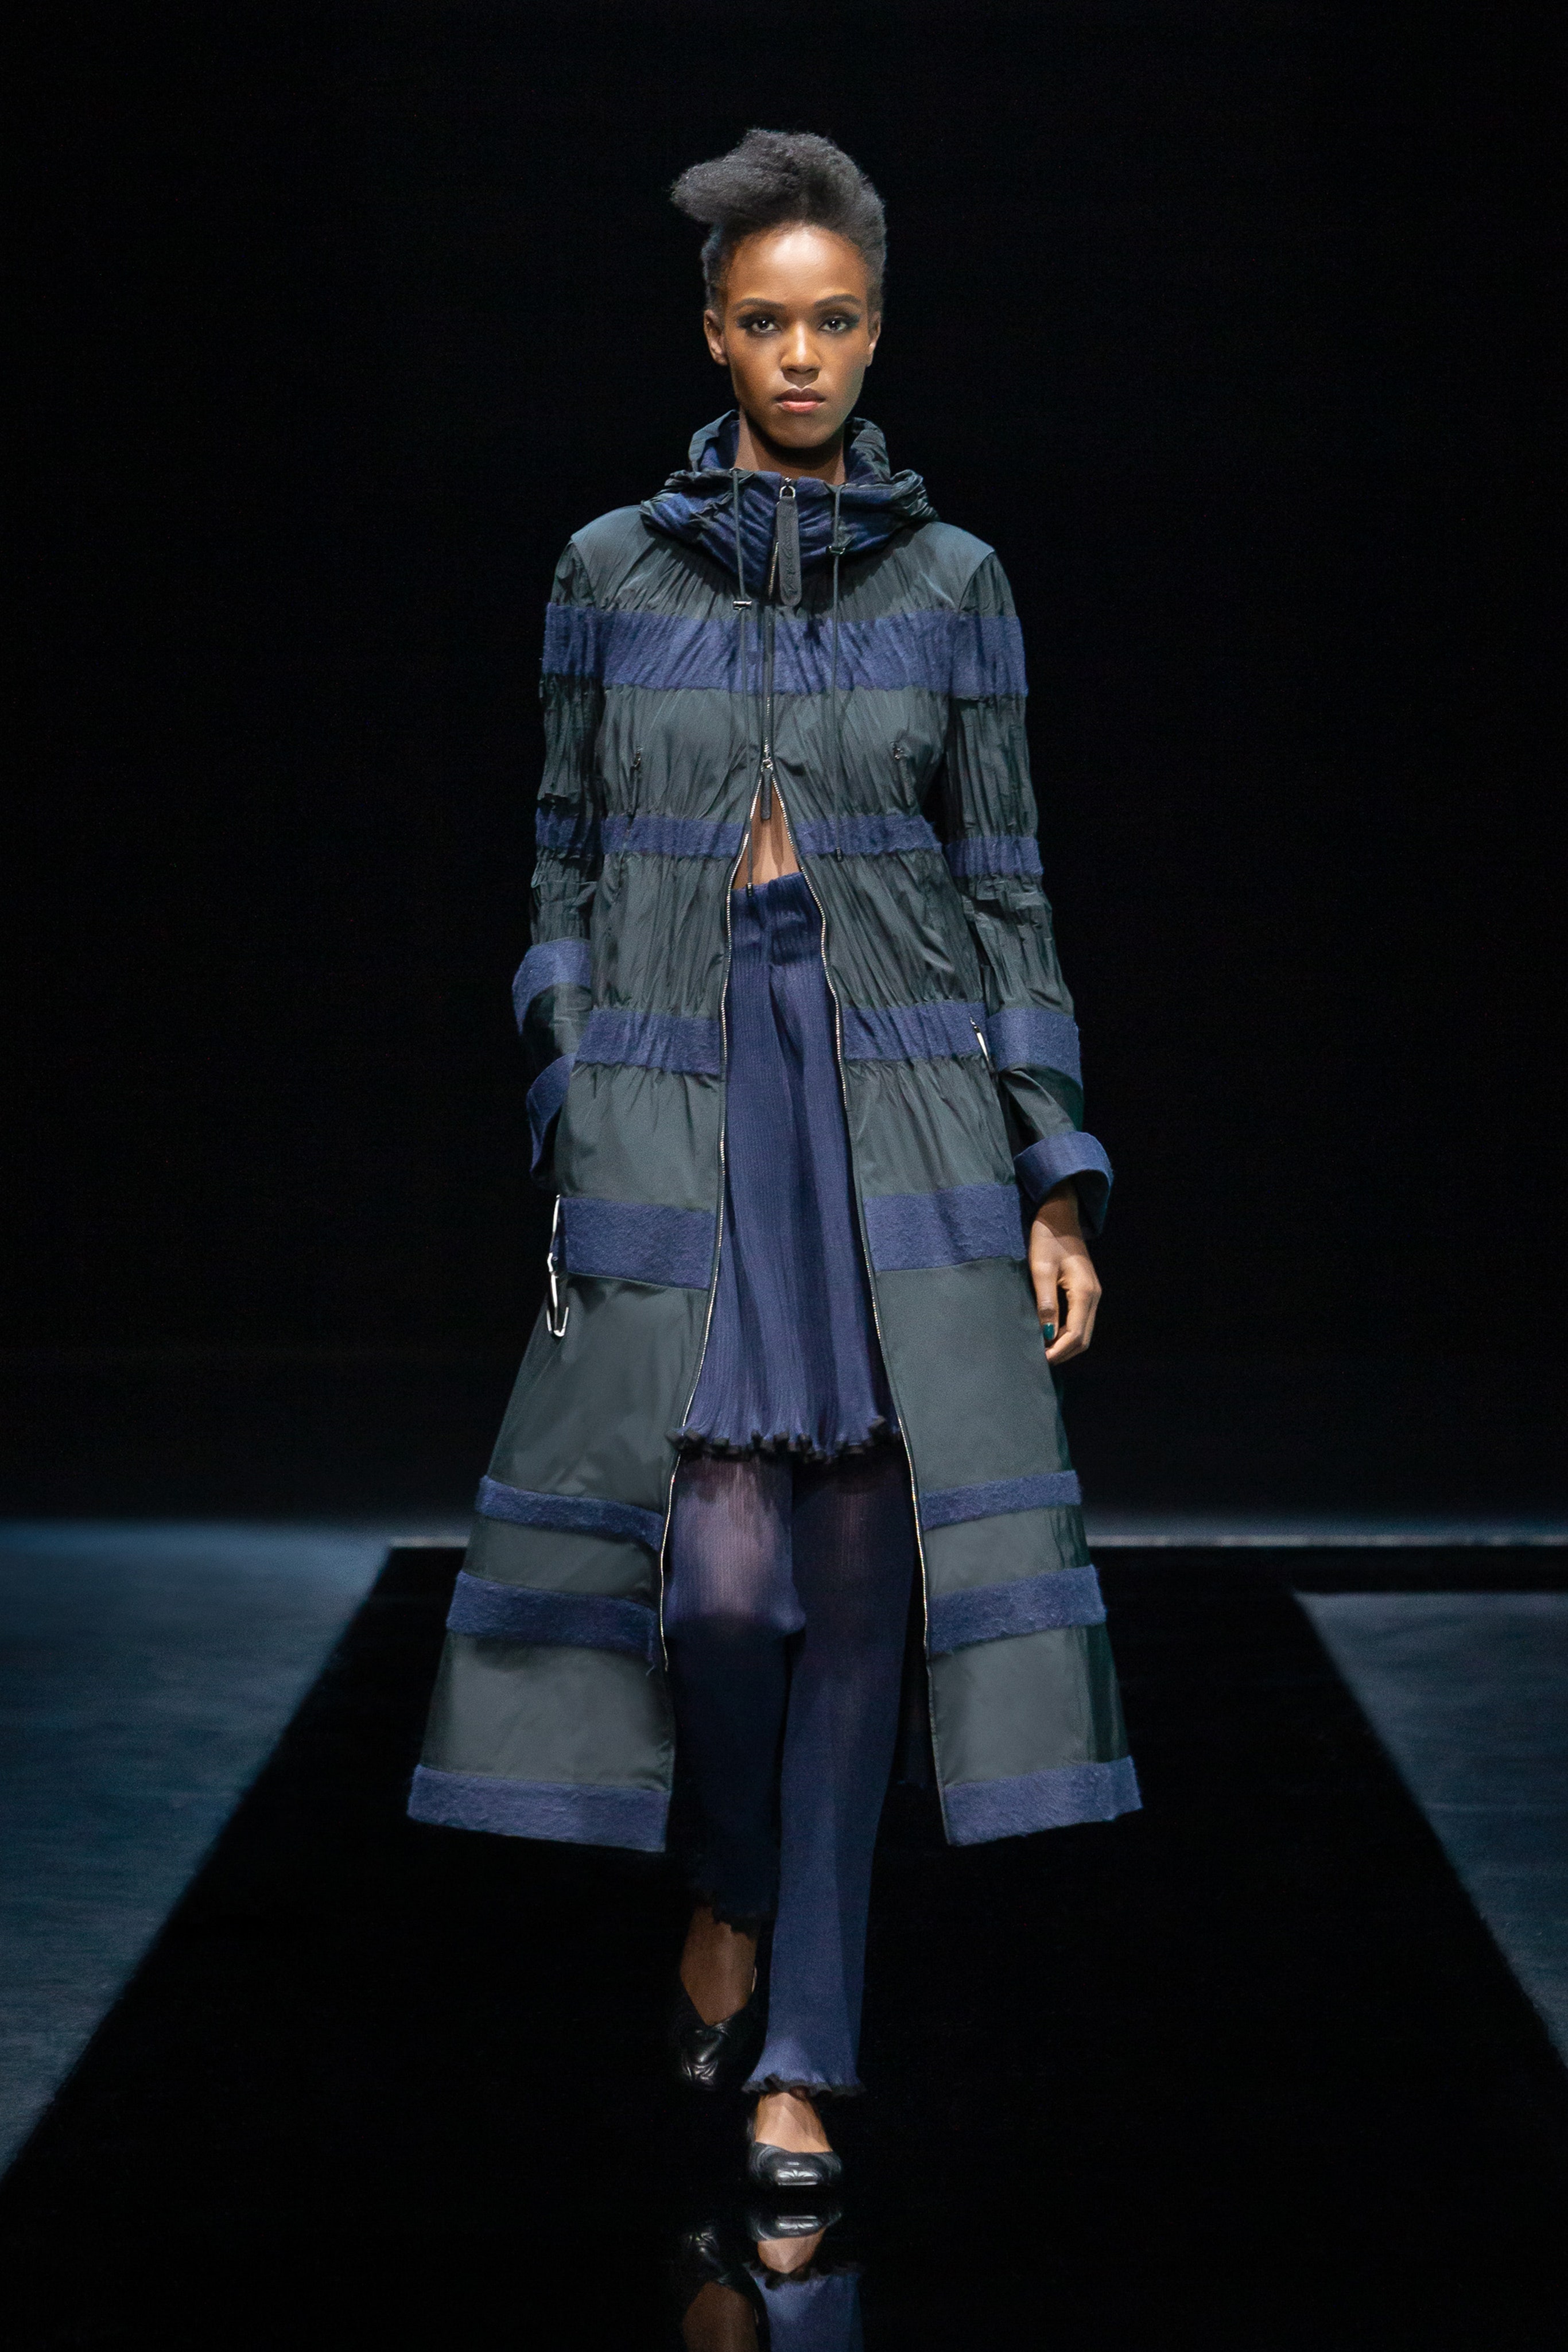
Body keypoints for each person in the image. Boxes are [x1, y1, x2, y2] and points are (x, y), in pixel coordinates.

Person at [409, 128, 1139, 2190]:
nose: (800, 356)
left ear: (876, 332)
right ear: (712, 335)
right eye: (764, 322)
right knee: (718, 1592)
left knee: (861, 1587)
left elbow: (1007, 889)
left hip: (895, 1101)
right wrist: (573, 1082)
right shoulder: (607, 570)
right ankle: (727, 1878)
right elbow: (558, 853)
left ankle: (805, 2049)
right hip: (682, 1088)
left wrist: (1052, 1172)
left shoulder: (955, 584)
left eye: (834, 321)